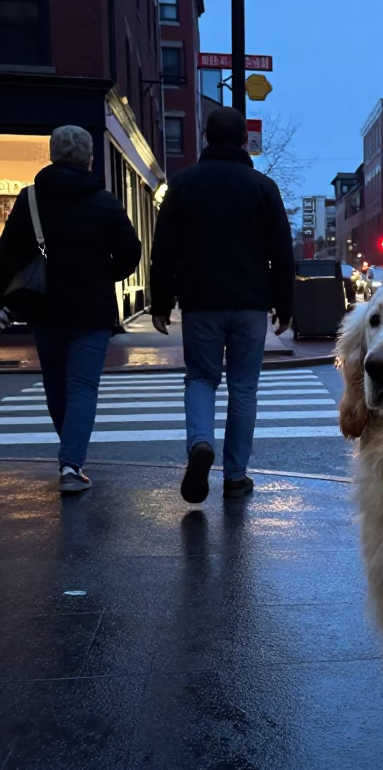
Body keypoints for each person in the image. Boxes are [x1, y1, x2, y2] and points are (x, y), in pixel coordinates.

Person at [150, 106, 295, 504]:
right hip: (250, 303)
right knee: (244, 387)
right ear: (245, 141)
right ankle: (236, 476)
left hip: (200, 301)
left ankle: (200, 443)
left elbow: (165, 249)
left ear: (206, 137)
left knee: (201, 378)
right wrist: (284, 304)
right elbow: (282, 252)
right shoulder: (263, 188)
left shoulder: (184, 185)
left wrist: (160, 301)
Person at [0, 125, 141, 492]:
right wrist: (104, 274)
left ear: (52, 155)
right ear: (89, 158)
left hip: (44, 307)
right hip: (92, 309)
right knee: (83, 386)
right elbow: (130, 251)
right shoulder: (105, 201)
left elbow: (7, 255)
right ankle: (71, 463)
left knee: (55, 383)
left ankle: (70, 452)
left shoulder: (30, 200)